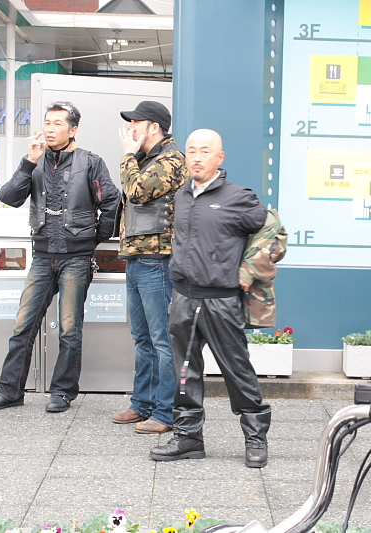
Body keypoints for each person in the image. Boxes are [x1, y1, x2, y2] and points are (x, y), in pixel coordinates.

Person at [0, 102, 119, 413]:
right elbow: (8, 198)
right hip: (43, 257)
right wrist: (28, 162)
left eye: (58, 123)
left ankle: (62, 392)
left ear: (73, 129)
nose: (50, 129)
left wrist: (95, 237)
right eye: (47, 123)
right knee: (23, 326)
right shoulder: (35, 161)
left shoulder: (91, 162)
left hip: (76, 258)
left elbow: (111, 200)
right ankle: (10, 392)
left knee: (69, 329)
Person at [150, 129, 270, 468]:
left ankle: (256, 437)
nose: (197, 157)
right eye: (191, 151)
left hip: (221, 301)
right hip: (184, 297)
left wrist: (251, 269)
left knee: (237, 371)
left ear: (220, 157)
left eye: (205, 151)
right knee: (184, 371)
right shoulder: (182, 195)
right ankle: (188, 438)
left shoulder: (238, 197)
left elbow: (274, 232)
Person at [111, 101, 187, 433]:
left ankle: (165, 413)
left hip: (158, 261)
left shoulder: (172, 160)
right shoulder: (145, 161)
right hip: (137, 259)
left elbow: (137, 191)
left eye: (135, 123)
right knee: (142, 339)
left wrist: (127, 155)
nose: (130, 129)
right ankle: (142, 404)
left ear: (154, 127)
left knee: (162, 341)